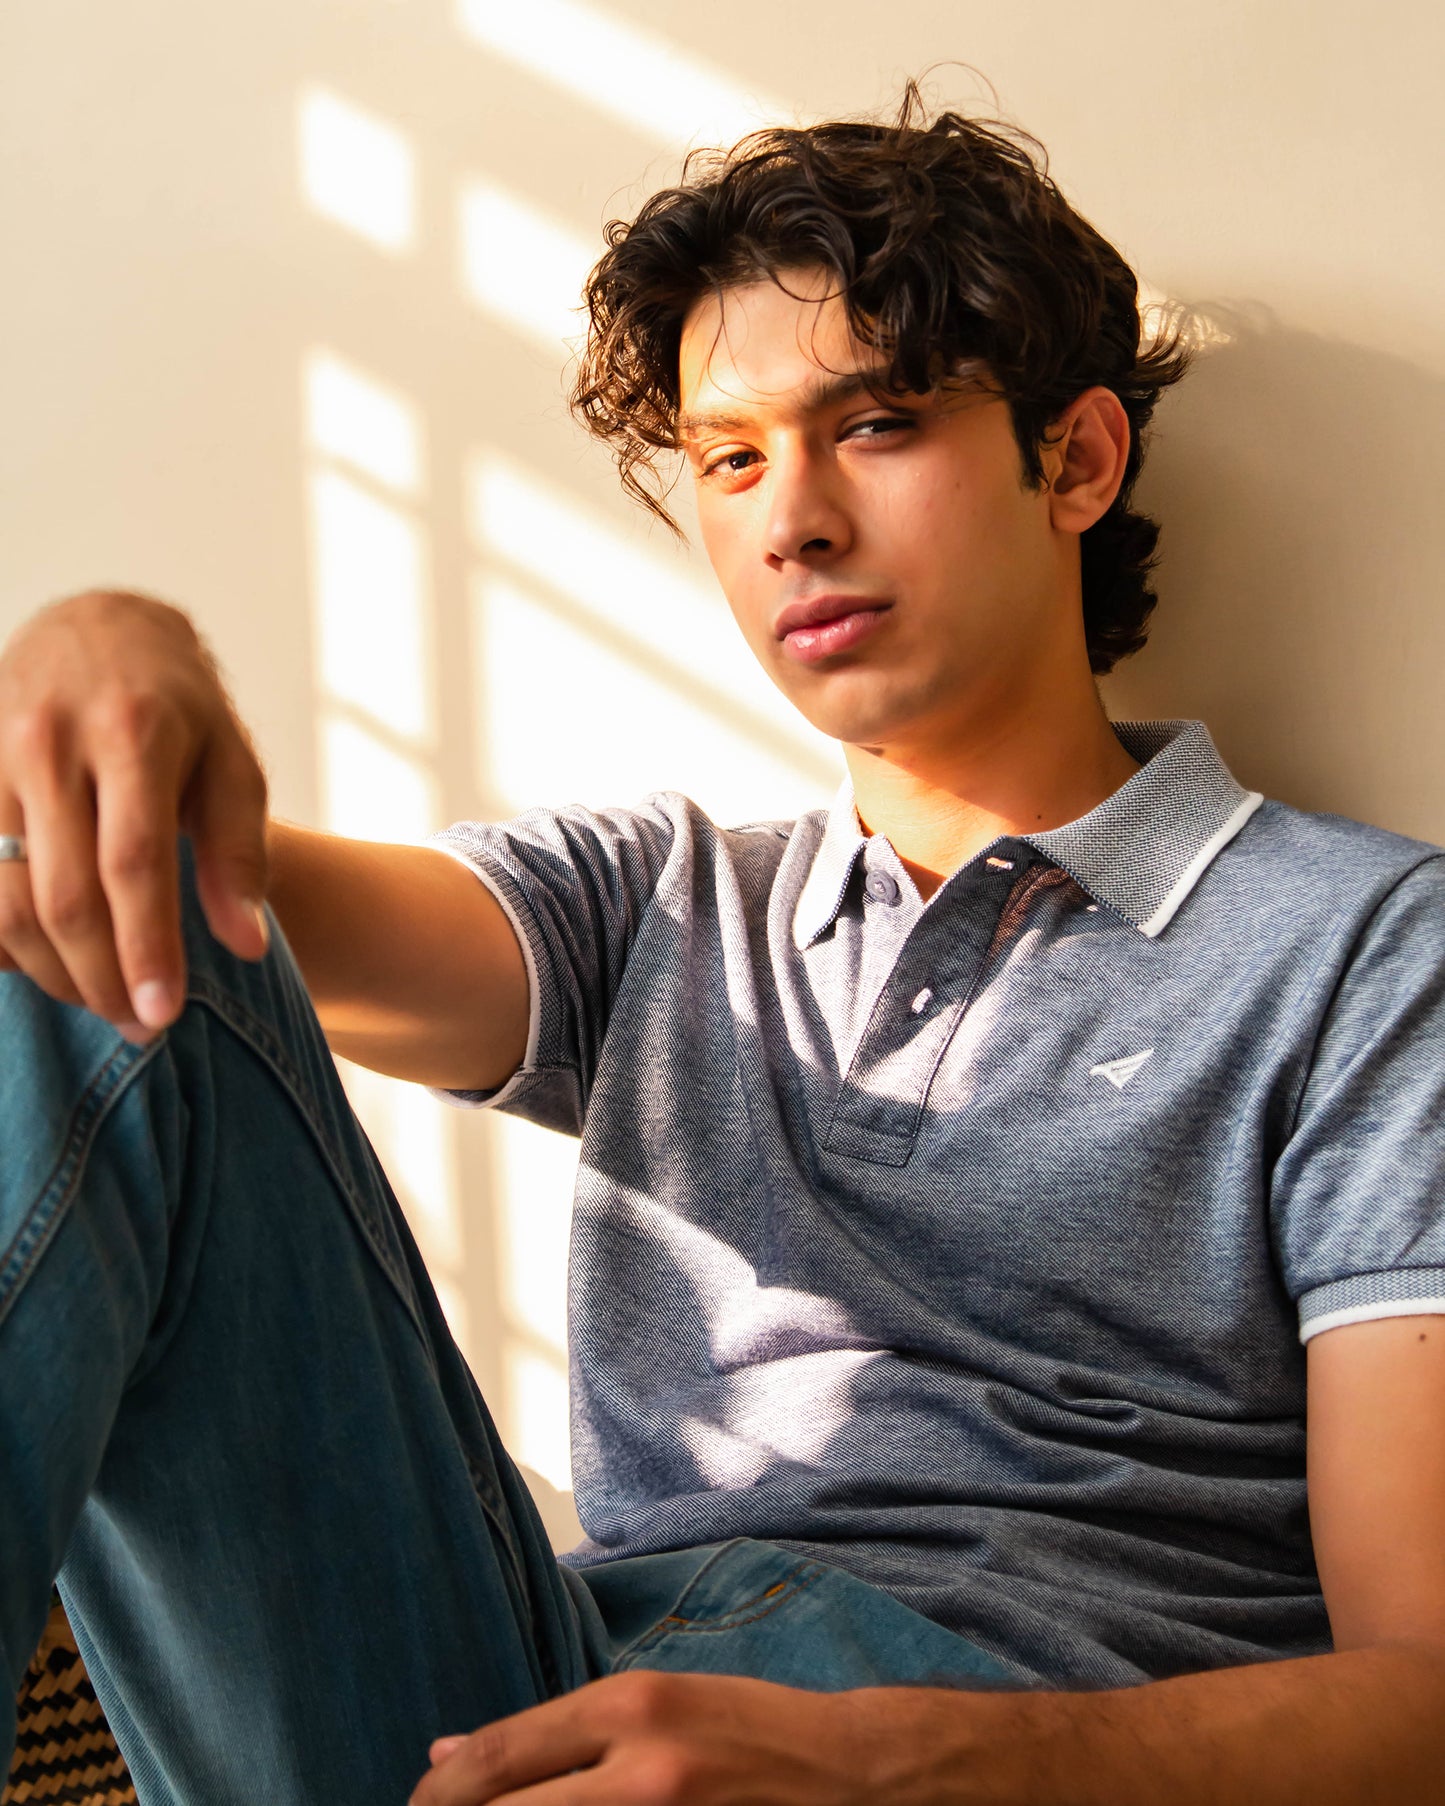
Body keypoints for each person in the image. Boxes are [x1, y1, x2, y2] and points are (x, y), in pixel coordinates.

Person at [2, 85, 1444, 1806]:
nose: (791, 522)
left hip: (997, 1740)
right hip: (533, 1706)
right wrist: (119, 645)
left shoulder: (1364, 945)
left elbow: (1425, 1693)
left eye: (876, 425)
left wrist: (895, 1759)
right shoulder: (654, 900)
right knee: (68, 906)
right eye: (731, 458)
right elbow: (188, 899)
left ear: (1072, 458)